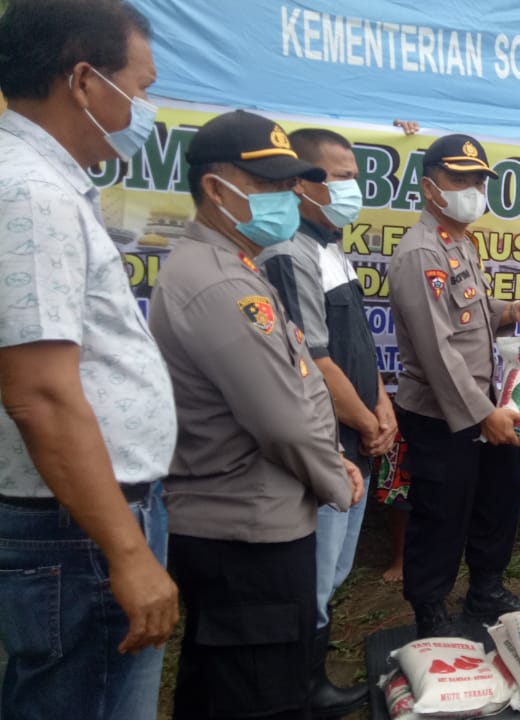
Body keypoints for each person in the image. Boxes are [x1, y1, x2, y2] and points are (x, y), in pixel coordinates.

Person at [150, 109, 362, 720]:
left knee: (226, 687)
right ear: (216, 190)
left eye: (291, 183)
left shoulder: (235, 267)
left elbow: (296, 385)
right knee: (257, 694)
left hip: (248, 519)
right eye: (270, 185)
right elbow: (283, 421)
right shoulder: (221, 285)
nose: (289, 196)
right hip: (245, 529)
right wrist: (335, 478)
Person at [0, 3, 179, 718]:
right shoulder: (32, 194)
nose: (147, 109)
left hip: (84, 517)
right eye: (142, 86)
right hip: (79, 529)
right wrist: (127, 554)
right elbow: (39, 394)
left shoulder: (49, 183)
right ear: (83, 81)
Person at [254, 127, 395, 717]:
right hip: (327, 442)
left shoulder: (331, 246)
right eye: (340, 177)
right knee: (312, 577)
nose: (352, 189)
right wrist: (366, 421)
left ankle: (310, 680)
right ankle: (299, 691)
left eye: (354, 177)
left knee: (333, 570)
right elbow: (313, 360)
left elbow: (356, 342)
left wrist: (382, 404)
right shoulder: (289, 254)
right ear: (301, 184)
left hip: (357, 436)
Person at [388, 133, 520, 639]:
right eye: (459, 178)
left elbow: (470, 315)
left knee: (497, 498)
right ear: (429, 186)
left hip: (483, 404)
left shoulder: (458, 241)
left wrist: (512, 310)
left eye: (479, 180)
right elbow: (437, 351)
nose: (473, 189)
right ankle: (430, 610)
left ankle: (486, 591)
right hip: (443, 414)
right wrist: (484, 414)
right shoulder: (421, 253)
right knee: (442, 513)